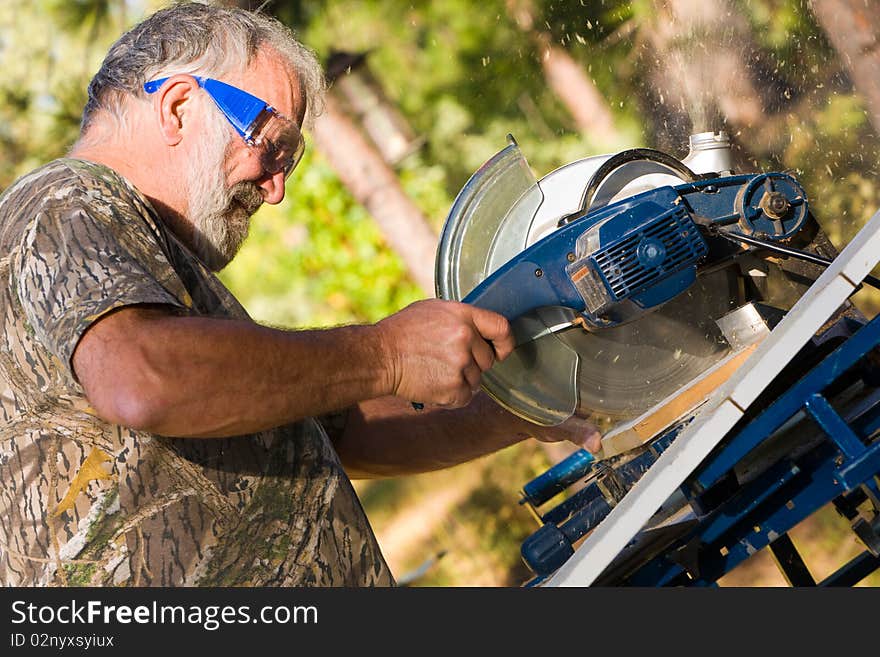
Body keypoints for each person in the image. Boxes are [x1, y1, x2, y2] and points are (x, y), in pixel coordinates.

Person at [0, 1, 599, 587]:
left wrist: (520, 407)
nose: (277, 187)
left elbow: (346, 432)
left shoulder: (157, 268)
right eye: (273, 143)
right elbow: (141, 378)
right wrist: (386, 353)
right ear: (180, 107)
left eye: (292, 159)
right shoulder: (62, 200)